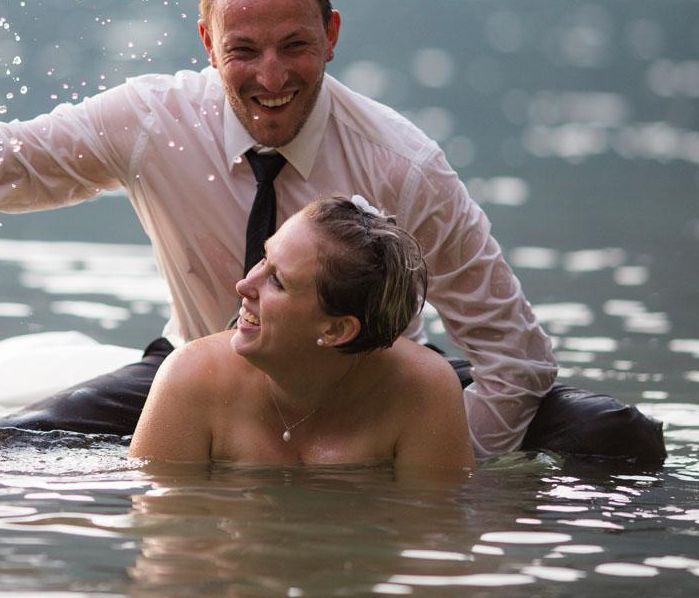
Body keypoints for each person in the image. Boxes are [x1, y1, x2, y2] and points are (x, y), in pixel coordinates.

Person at [0, 0, 665, 462]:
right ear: (206, 44)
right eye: (243, 50)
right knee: (5, 450)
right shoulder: (151, 120)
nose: (270, 77)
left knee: (616, 436)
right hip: (196, 369)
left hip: (372, 381)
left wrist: (425, 463)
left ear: (331, 37)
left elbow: (516, 358)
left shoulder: (404, 165)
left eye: (295, 44)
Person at [129, 196, 475, 469]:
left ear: (337, 329)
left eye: (277, 281)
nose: (244, 284)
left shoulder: (424, 391)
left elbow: (433, 540)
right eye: (264, 258)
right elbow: (165, 542)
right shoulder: (190, 378)